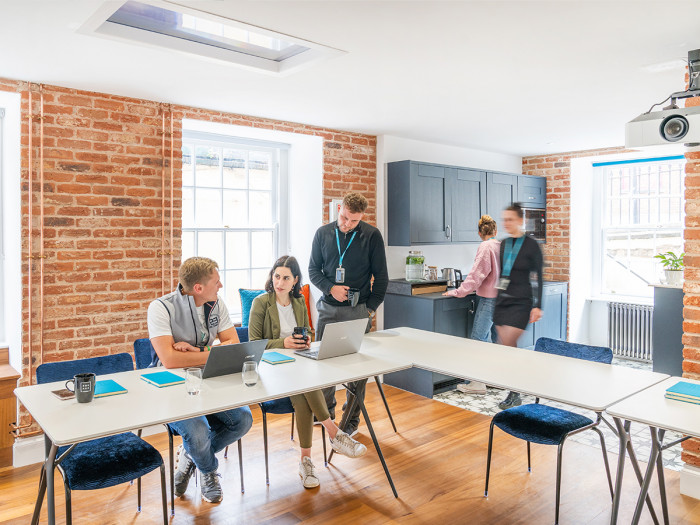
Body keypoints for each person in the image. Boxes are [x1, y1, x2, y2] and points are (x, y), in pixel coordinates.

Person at [248, 255, 367, 489]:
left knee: (303, 388)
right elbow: (254, 344)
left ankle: (307, 462)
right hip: (271, 367)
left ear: (295, 281)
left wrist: (305, 340)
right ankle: (335, 434)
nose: (279, 282)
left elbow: (310, 332)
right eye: (276, 276)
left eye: (285, 278)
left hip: (298, 362)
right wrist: (285, 343)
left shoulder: (300, 302)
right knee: (305, 385)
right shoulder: (261, 303)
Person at [147, 257, 253, 504]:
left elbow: (233, 344)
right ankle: (207, 471)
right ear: (198, 288)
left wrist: (196, 353)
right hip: (171, 387)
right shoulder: (161, 308)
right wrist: (210, 351)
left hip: (208, 380)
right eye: (216, 282)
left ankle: (190, 457)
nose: (221, 286)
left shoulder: (216, 303)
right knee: (197, 431)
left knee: (244, 419)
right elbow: (170, 360)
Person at [308, 192, 389, 437]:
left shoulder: (372, 235)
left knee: (357, 371)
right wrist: (330, 287)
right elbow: (313, 270)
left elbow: (382, 278)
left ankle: (351, 420)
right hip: (328, 309)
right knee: (324, 365)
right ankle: (325, 414)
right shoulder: (323, 233)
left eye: (354, 221)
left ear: (361, 217)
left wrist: (369, 309)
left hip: (358, 311)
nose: (347, 224)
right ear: (339, 209)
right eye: (344, 218)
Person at [493, 203, 544, 410]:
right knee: (506, 349)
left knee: (507, 343)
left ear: (521, 220)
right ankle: (515, 391)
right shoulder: (504, 244)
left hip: (522, 302)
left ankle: (517, 389)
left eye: (510, 219)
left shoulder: (532, 245)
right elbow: (503, 275)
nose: (506, 223)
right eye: (504, 219)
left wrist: (538, 305)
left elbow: (539, 277)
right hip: (503, 301)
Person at [442, 215, 500, 394]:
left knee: (477, 339)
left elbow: (476, 275)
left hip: (490, 299)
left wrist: (458, 292)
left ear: (479, 233)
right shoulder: (501, 246)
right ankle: (490, 378)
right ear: (495, 231)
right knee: (488, 340)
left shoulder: (485, 246)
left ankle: (477, 384)